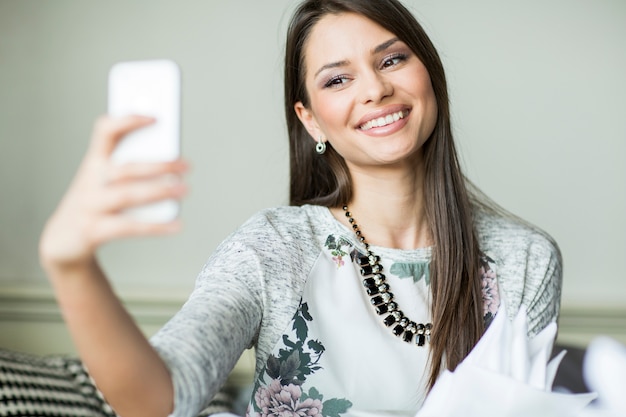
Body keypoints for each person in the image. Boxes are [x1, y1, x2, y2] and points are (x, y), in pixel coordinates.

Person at [38, 1, 562, 416]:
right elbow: (160, 400)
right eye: (338, 79)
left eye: (392, 59)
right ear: (311, 121)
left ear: (430, 74)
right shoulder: (273, 249)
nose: (376, 89)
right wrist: (72, 268)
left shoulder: (525, 260)